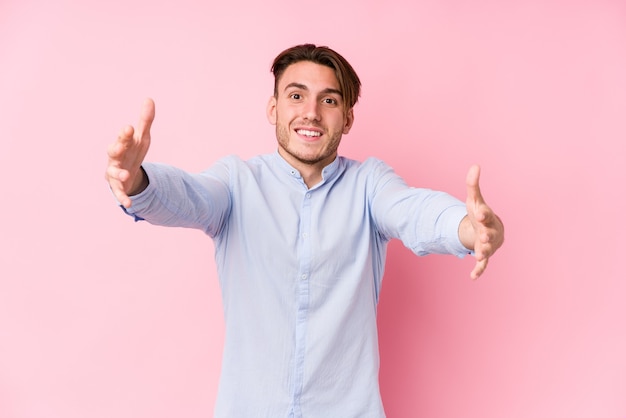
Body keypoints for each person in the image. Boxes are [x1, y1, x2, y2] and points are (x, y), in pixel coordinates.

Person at [105, 44, 504, 418]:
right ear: (273, 108)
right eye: (296, 96)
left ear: (347, 118)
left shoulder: (369, 184)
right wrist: (138, 181)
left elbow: (413, 211)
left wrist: (469, 228)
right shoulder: (237, 182)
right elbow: (190, 197)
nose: (311, 112)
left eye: (328, 100)